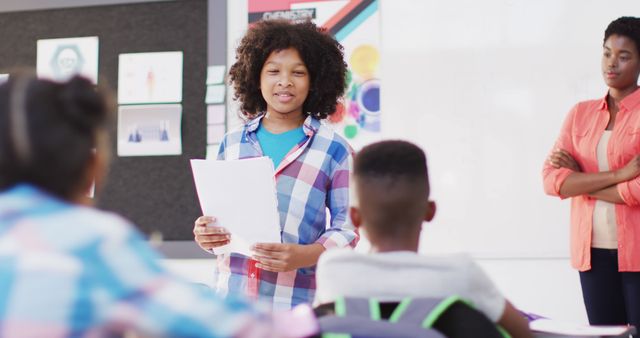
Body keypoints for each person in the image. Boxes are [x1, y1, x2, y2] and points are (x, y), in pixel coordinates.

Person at [0, 73, 317, 338]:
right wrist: (318, 319)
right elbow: (217, 325)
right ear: (92, 164)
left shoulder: (330, 145)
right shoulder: (91, 240)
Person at [193, 19, 358, 309]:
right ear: (256, 77)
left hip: (295, 304)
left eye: (298, 72)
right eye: (273, 71)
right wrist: (206, 235)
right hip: (231, 304)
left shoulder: (335, 150)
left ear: (315, 80)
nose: (285, 81)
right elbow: (218, 221)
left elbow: (349, 227)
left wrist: (307, 254)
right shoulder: (231, 144)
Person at [314, 140, 532, 338]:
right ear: (430, 211)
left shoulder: (334, 269)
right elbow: (522, 333)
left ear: (355, 216)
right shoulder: (461, 273)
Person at [543, 16, 640, 330]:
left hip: (637, 254)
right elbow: (551, 179)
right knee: (604, 335)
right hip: (593, 254)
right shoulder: (579, 114)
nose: (612, 63)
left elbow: (637, 191)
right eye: (607, 53)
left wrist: (581, 181)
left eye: (624, 56)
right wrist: (620, 173)